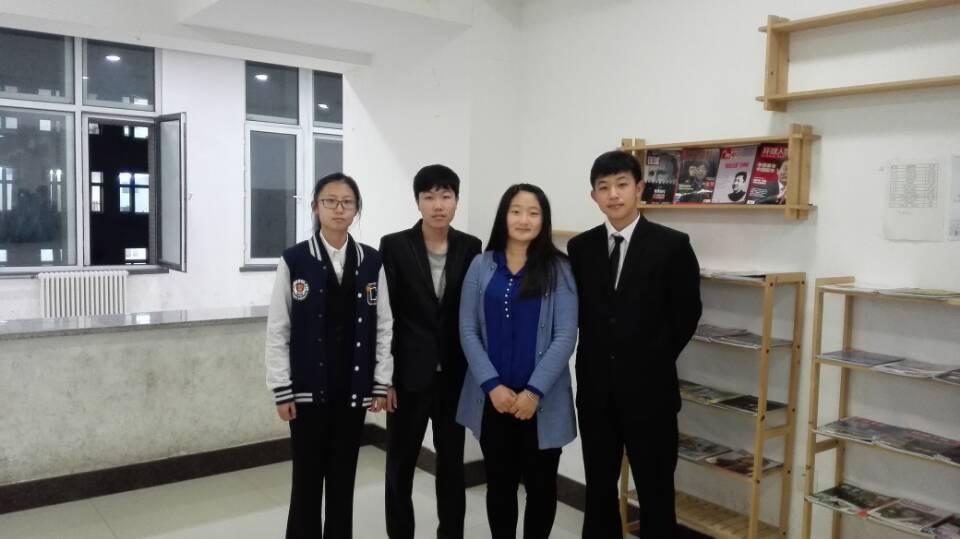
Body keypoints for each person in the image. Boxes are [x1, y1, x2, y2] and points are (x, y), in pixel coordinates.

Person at [567, 151, 702, 538]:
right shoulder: (580, 248)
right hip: (595, 391)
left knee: (655, 490)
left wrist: (651, 358)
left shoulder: (672, 245)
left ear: (639, 188)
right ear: (593, 196)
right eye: (604, 187)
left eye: (622, 184)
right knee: (599, 488)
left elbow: (687, 314)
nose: (613, 194)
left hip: (651, 392)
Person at [265, 172, 394, 539]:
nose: (339, 209)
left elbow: (384, 325)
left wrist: (381, 382)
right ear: (315, 207)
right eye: (330, 201)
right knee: (306, 483)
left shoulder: (371, 261)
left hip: (352, 392)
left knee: (342, 481)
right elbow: (278, 328)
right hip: (307, 393)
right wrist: (281, 389)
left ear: (356, 210)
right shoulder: (295, 260)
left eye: (347, 202)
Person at [456, 184, 578, 539]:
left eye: (533, 213)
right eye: (516, 211)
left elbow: (565, 336)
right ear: (503, 216)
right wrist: (492, 386)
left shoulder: (559, 269)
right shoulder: (481, 265)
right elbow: (467, 330)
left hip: (541, 403)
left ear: (544, 220)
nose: (524, 219)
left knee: (541, 489)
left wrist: (534, 392)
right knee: (500, 487)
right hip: (494, 401)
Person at [381, 164, 482, 539]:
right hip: (408, 376)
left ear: (456, 200)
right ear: (418, 202)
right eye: (429, 197)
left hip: (454, 376)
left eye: (446, 196)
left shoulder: (471, 247)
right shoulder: (394, 245)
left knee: (452, 464)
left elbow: (472, 312)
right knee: (400, 464)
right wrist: (385, 379)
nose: (438, 205)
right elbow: (385, 316)